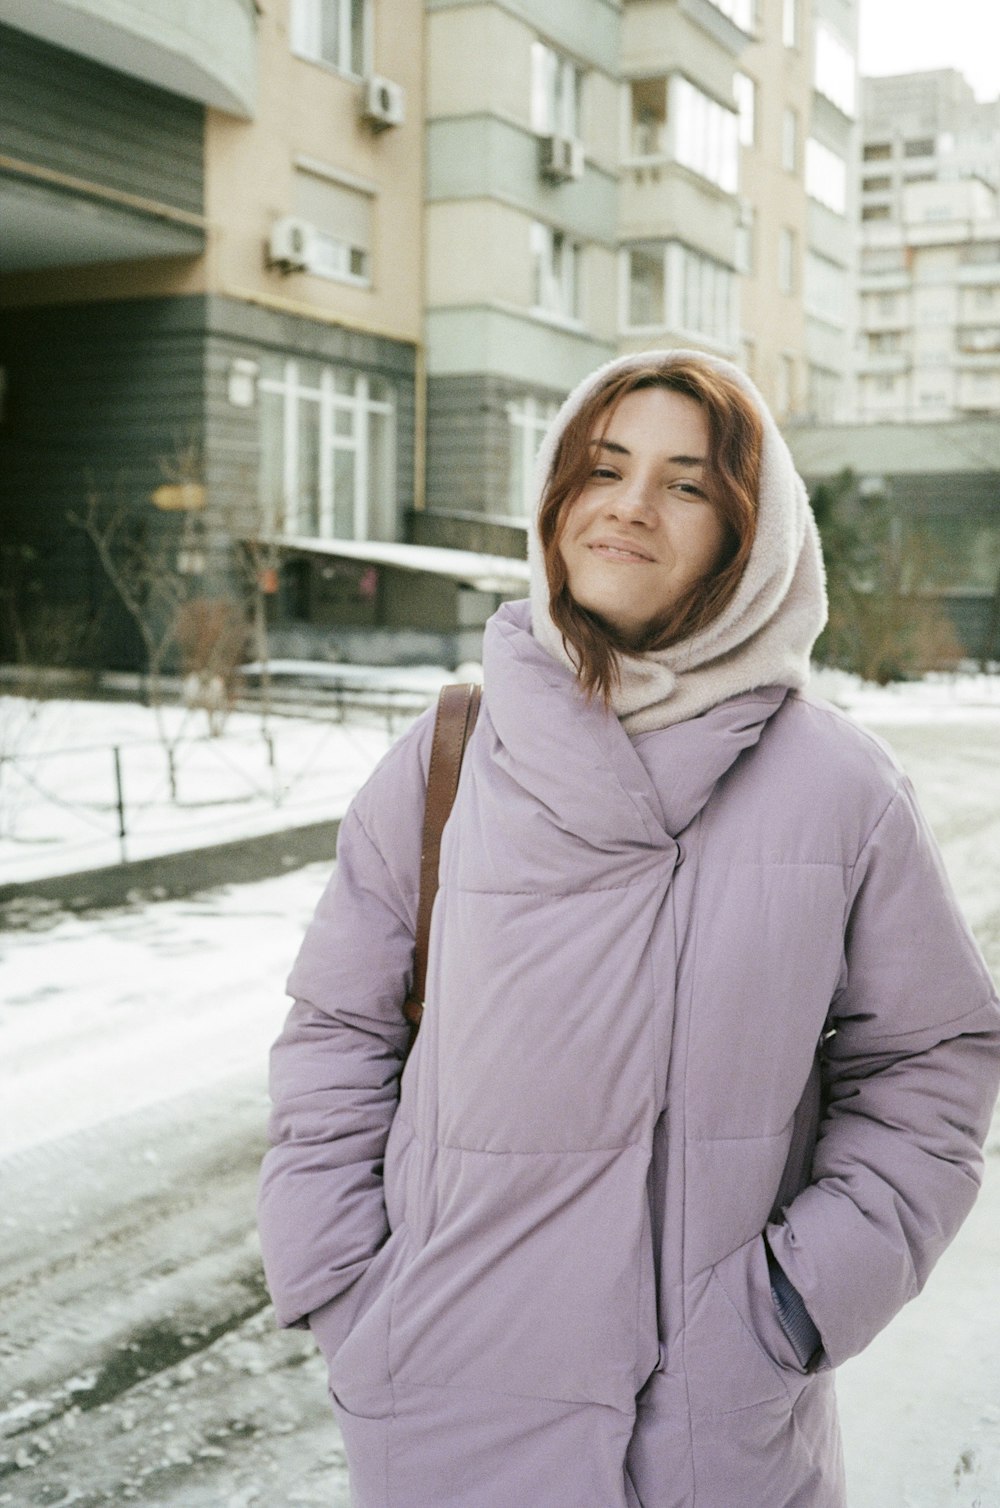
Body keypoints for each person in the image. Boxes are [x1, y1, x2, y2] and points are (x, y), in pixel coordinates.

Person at [258, 350, 1000, 1508]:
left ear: (747, 536)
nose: (629, 503)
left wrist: (793, 1306)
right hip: (446, 1399)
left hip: (712, 1438)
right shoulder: (448, 757)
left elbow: (928, 1064)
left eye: (687, 483)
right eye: (602, 465)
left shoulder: (841, 787)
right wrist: (349, 1282)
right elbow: (337, 1031)